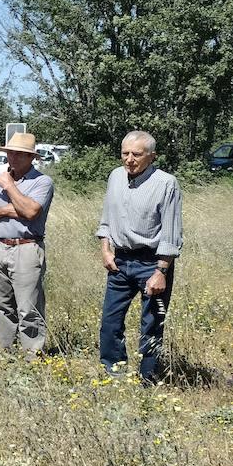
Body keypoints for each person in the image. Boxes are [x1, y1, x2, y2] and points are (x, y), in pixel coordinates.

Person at [97, 131, 183, 383]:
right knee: (110, 322)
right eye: (125, 153)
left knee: (152, 323)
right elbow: (106, 221)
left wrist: (161, 271)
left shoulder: (166, 183)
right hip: (120, 262)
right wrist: (105, 250)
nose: (130, 159)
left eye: (137, 154)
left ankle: (149, 378)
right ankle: (114, 374)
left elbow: (171, 232)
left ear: (151, 156)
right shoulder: (115, 177)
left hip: (152, 263)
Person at [0, 132, 55, 361]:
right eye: (10, 152)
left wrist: (10, 187)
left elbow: (31, 212)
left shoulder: (41, 182)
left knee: (28, 307)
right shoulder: (2, 179)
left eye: (20, 154)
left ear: (31, 157)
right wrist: (10, 210)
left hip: (27, 246)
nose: (13, 157)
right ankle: (8, 354)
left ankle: (33, 356)